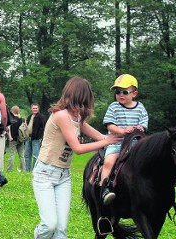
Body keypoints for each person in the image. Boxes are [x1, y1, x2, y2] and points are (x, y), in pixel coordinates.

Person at [33, 77, 120, 239]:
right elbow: (78, 148)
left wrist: (114, 138)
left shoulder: (76, 117)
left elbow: (99, 136)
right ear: (77, 96)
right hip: (45, 173)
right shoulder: (61, 116)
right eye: (83, 101)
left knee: (61, 229)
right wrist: (106, 141)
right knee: (49, 225)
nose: (83, 107)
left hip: (63, 176)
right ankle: (37, 235)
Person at [99, 74, 148, 205]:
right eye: (117, 92)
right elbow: (109, 124)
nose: (121, 95)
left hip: (136, 143)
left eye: (125, 92)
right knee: (109, 162)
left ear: (134, 93)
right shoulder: (114, 107)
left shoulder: (140, 107)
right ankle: (104, 189)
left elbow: (144, 123)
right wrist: (122, 131)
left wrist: (140, 128)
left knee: (151, 158)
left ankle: (162, 178)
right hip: (117, 142)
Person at [24, 103, 47, 172]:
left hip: (36, 139)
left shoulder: (41, 117)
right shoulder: (29, 116)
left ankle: (35, 170)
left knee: (35, 156)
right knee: (27, 155)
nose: (35, 109)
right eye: (33, 108)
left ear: (38, 109)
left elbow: (42, 128)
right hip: (28, 137)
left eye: (36, 108)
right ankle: (27, 171)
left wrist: (38, 137)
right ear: (31, 109)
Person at [6, 105, 25, 172]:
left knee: (12, 155)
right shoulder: (22, 119)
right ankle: (23, 169)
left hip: (13, 139)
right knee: (22, 156)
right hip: (21, 139)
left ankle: (9, 170)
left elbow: (8, 129)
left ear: (12, 110)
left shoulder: (11, 119)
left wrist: (10, 137)